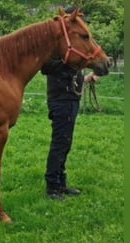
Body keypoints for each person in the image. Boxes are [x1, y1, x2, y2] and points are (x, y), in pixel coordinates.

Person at [41, 7, 99, 200]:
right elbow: (46, 67)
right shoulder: (58, 49)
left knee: (65, 142)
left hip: (71, 99)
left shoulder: (72, 52)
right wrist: (71, 63)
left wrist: (87, 78)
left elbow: (73, 76)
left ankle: (61, 182)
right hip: (60, 100)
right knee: (59, 143)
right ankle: (52, 186)